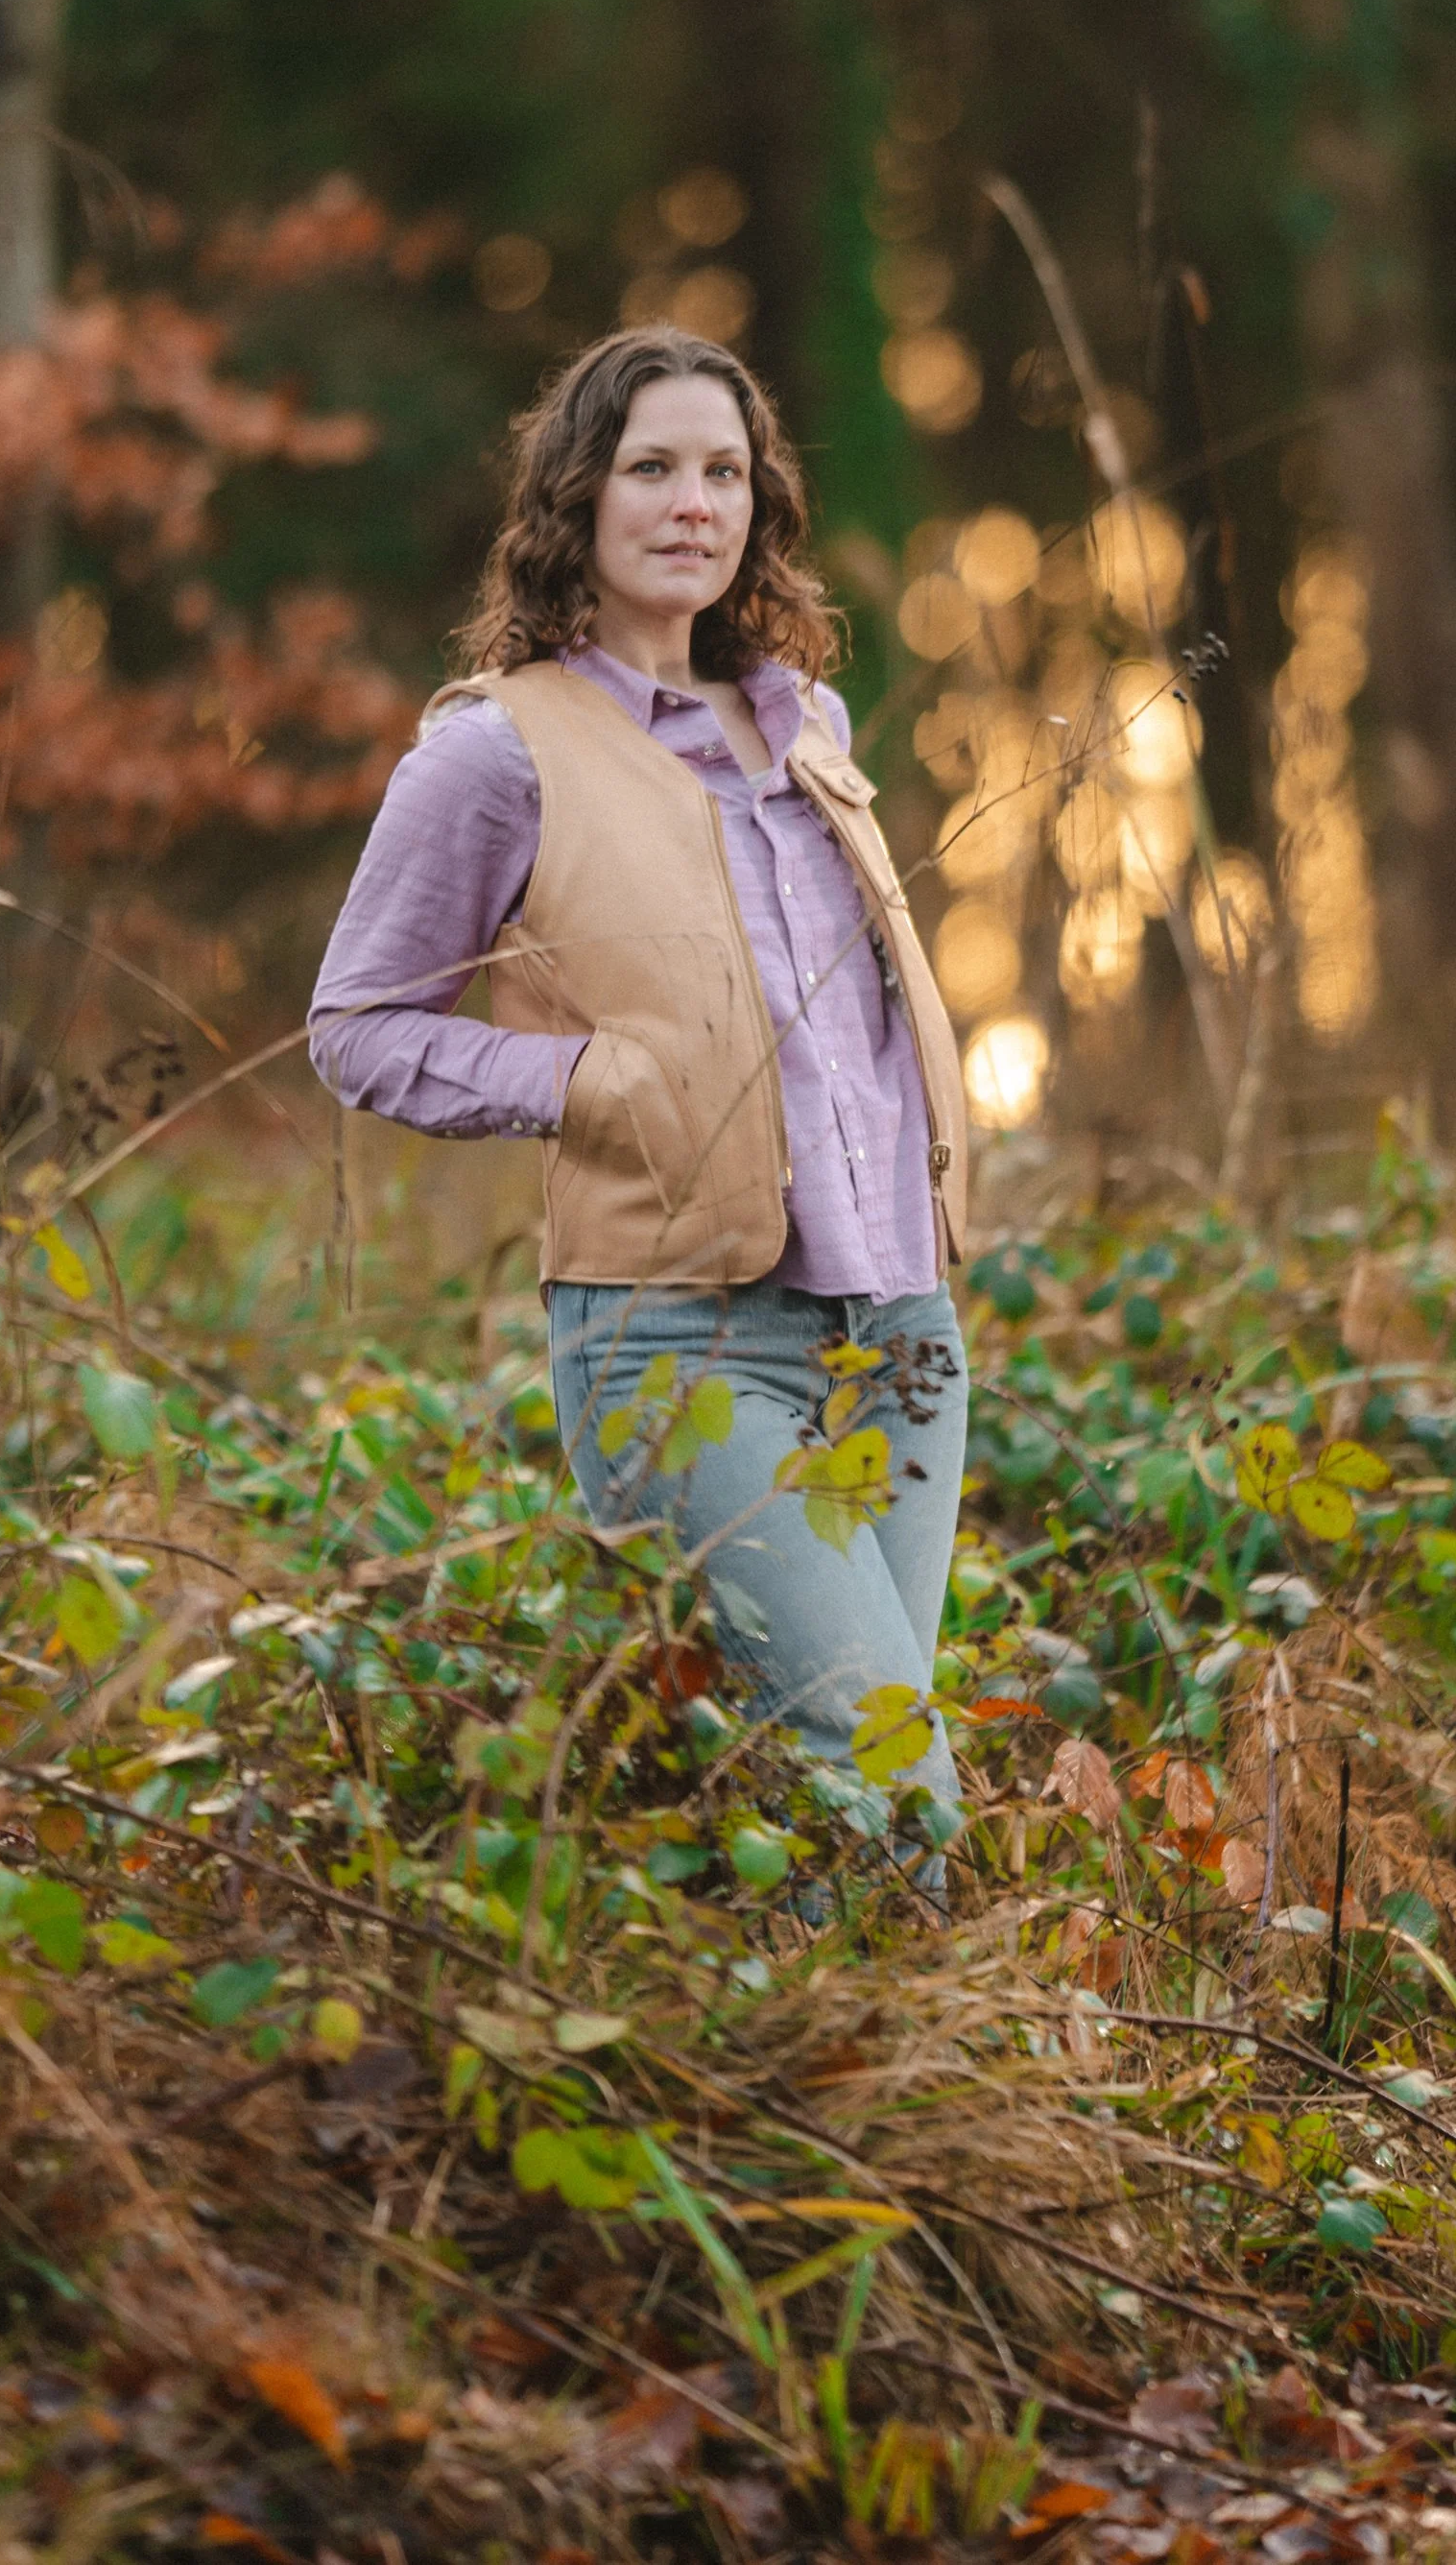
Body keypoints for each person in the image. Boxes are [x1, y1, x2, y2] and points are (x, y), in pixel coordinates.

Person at [307, 324, 971, 1851]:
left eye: (725, 471)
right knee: (899, 1790)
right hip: (681, 1341)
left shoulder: (813, 727)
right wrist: (590, 1078)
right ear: (578, 501)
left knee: (843, 1803)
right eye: (653, 467)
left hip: (903, 1328)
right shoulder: (497, 750)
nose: (694, 502)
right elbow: (355, 1024)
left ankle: (805, 2073)